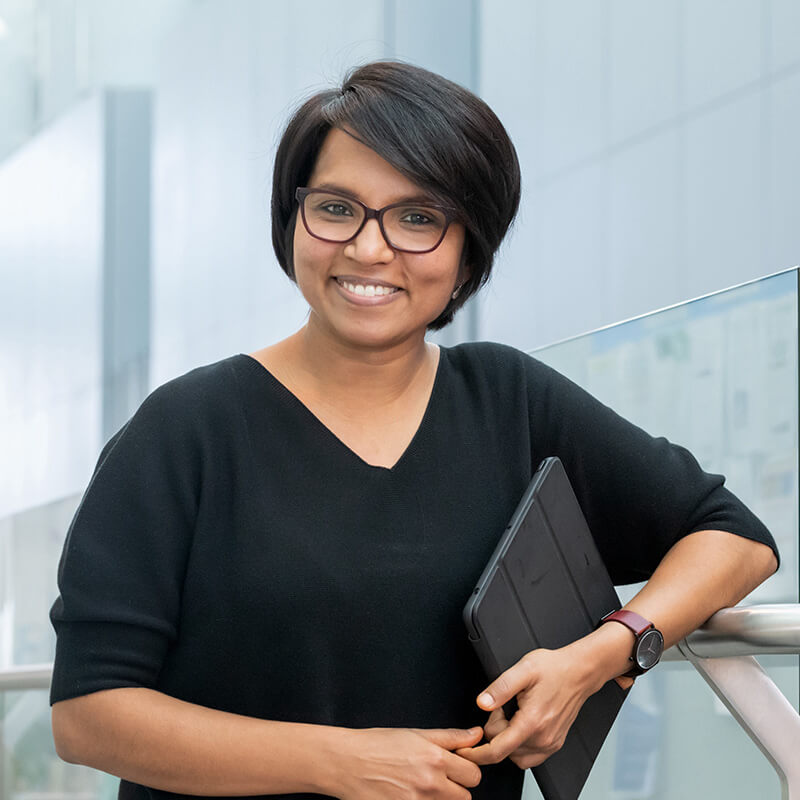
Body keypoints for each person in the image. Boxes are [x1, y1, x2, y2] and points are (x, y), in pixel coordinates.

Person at [50, 60, 778, 800]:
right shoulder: (183, 433)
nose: (370, 250)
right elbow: (88, 715)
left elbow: (734, 539)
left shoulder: (509, 400)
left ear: (469, 248)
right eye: (336, 208)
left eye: (418, 218)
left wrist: (603, 654)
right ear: (292, 219)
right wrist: (341, 764)